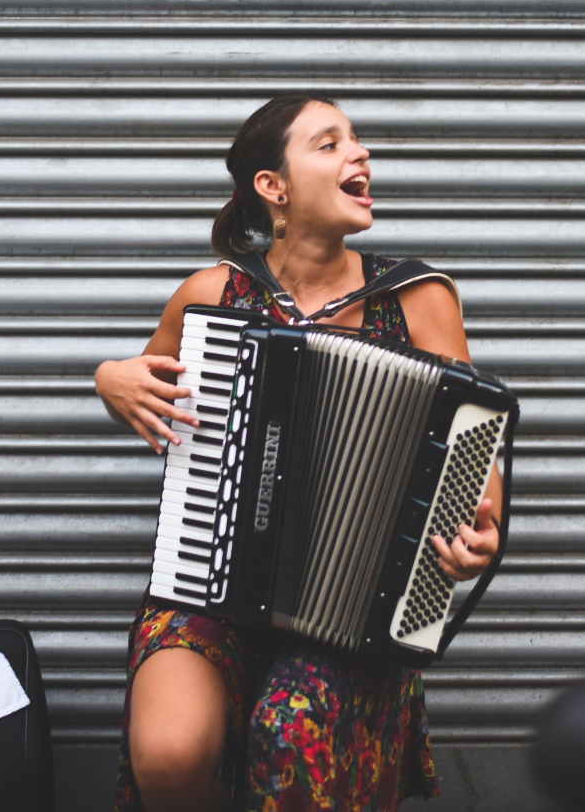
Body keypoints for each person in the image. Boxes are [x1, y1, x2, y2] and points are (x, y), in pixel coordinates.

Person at [97, 95, 503, 812]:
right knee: (167, 755)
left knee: (291, 734)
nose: (360, 152)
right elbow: (146, 383)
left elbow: (474, 455)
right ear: (273, 187)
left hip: (355, 614)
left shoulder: (418, 299)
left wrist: (478, 529)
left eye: (357, 140)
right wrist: (110, 378)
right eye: (330, 143)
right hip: (209, 582)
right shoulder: (212, 294)